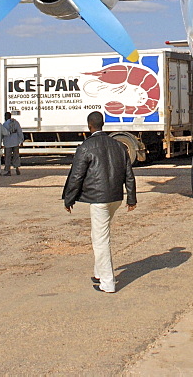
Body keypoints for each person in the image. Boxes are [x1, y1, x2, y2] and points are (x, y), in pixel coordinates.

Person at [62, 111, 137, 294]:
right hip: (115, 198)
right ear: (102, 124)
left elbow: (76, 175)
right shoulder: (119, 146)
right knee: (99, 235)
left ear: (89, 126)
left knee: (101, 240)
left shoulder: (86, 147)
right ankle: (98, 273)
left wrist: (68, 199)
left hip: (99, 199)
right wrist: (131, 198)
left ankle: (107, 283)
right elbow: (129, 174)